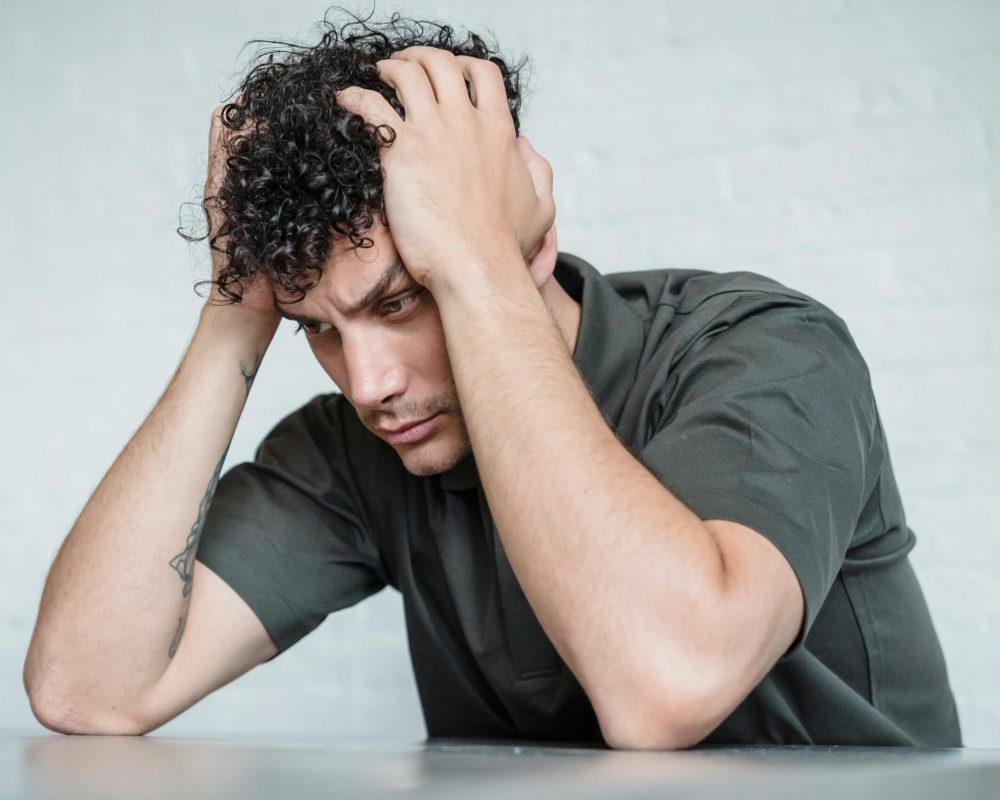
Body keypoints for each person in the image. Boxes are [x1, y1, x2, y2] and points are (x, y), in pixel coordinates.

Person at [23, 12, 961, 749]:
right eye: (317, 328)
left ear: (535, 233)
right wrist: (237, 307)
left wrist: (475, 265)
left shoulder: (767, 351)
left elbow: (666, 685)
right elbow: (85, 687)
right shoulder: (352, 456)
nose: (368, 384)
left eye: (399, 302)